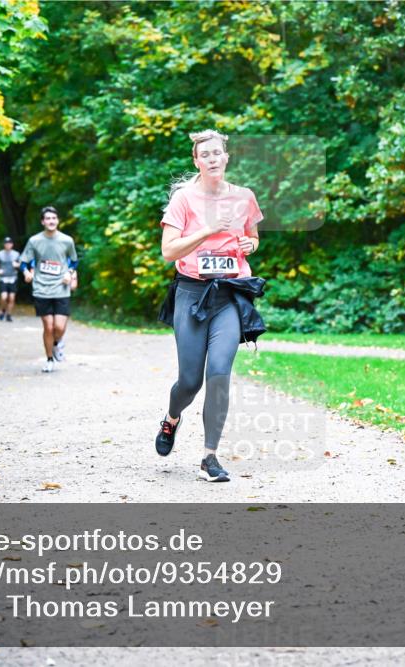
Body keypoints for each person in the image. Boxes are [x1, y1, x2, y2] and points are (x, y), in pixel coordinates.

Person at [155, 129, 266, 482]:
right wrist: (207, 230)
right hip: (191, 294)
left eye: (217, 153)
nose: (213, 159)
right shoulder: (184, 201)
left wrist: (250, 244)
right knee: (189, 381)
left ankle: (210, 457)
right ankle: (172, 419)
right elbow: (169, 251)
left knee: (218, 374)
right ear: (196, 161)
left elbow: (253, 237)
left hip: (229, 294)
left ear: (226, 157)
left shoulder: (244, 197)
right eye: (206, 155)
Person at [20, 207, 78, 373]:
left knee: (59, 327)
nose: (51, 221)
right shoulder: (34, 241)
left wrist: (69, 273)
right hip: (41, 288)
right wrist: (26, 272)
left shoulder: (67, 240)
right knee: (48, 326)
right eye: (48, 218)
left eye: (54, 218)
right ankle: (49, 359)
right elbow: (24, 261)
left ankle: (56, 344)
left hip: (61, 288)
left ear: (57, 221)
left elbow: (74, 261)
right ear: (42, 222)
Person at [0, 236, 21, 321]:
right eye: (6, 243)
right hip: (3, 278)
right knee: (4, 297)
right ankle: (3, 309)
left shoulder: (16, 254)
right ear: (4, 245)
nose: (8, 245)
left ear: (12, 245)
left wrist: (17, 265)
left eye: (9, 243)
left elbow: (21, 264)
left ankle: (9, 314)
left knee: (12, 298)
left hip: (13, 277)